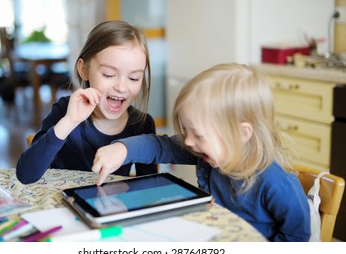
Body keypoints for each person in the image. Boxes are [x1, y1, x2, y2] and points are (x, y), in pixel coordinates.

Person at [91, 63, 311, 242]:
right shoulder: (205, 154)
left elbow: (297, 237)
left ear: (241, 133)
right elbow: (160, 146)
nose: (188, 140)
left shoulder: (276, 183)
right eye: (186, 131)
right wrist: (122, 149)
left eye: (198, 134)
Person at [16, 20, 157, 184]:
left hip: (111, 206)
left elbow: (149, 186)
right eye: (109, 74)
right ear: (84, 70)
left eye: (134, 78)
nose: (121, 87)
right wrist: (68, 122)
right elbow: (26, 175)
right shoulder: (65, 111)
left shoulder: (142, 124)